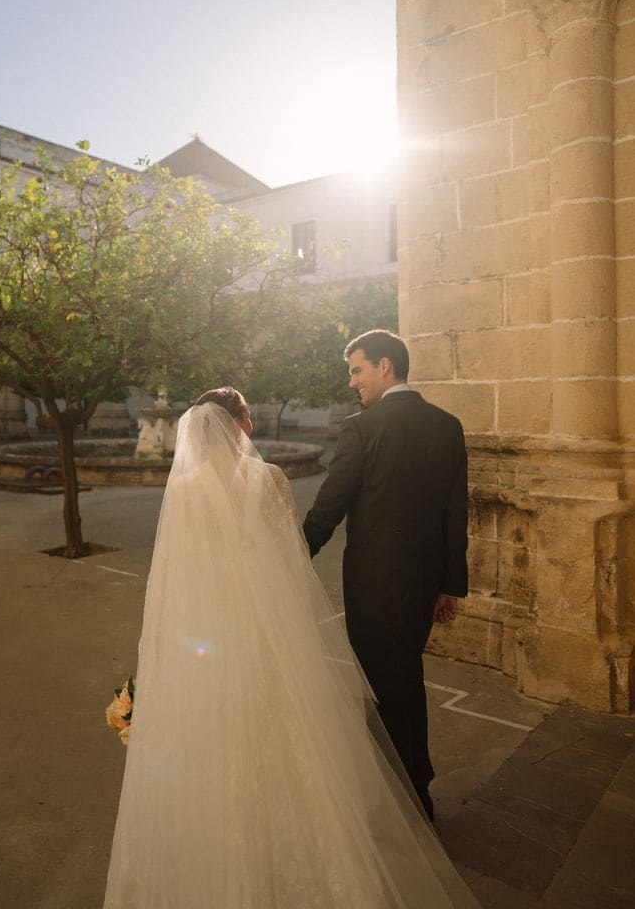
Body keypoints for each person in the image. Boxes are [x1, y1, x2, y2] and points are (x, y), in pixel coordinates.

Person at [103, 387, 478, 908]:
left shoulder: (183, 488)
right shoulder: (271, 479)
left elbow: (172, 574)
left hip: (205, 628)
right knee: (280, 726)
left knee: (209, 731)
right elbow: (292, 560)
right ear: (240, 422)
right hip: (261, 627)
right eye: (248, 415)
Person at [303, 330, 469, 822]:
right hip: (420, 588)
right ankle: (412, 785)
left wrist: (290, 555)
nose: (353, 381)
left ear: (385, 368)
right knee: (402, 679)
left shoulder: (362, 428)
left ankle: (406, 794)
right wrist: (449, 586)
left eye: (357, 369)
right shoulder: (447, 426)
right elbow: (454, 513)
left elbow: (327, 509)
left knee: (384, 687)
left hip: (375, 589)